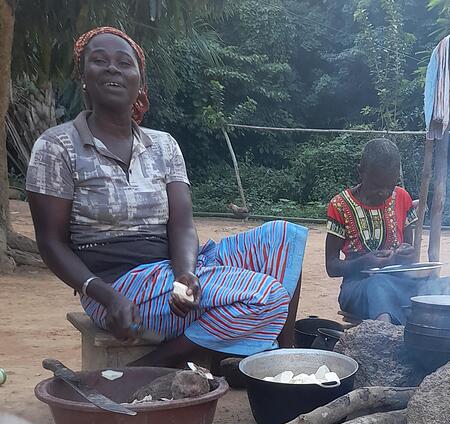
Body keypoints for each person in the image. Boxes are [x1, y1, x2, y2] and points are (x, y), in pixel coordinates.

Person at [25, 27, 308, 368]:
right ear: (83, 77)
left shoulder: (163, 145)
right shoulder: (57, 146)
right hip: (116, 288)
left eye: (124, 63)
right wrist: (103, 293)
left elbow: (183, 225)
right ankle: (148, 367)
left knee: (285, 237)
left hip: (172, 270)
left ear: (139, 83)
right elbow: (51, 243)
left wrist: (185, 275)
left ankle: (283, 360)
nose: (113, 68)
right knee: (268, 298)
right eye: (99, 61)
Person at [325, 138, 450, 324]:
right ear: (361, 171)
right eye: (376, 186)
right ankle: (387, 341)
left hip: (403, 283)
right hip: (359, 288)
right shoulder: (340, 205)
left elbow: (411, 255)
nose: (383, 193)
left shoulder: (402, 197)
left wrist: (404, 254)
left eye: (389, 187)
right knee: (378, 285)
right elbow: (331, 266)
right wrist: (364, 262)